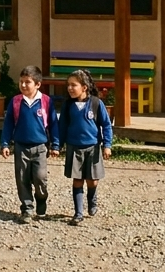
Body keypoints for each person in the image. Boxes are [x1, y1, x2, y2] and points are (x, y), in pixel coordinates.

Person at [0, 66, 60, 224]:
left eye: (28, 82)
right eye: (21, 82)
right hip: (21, 146)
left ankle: (41, 198)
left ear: (38, 84)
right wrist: (5, 143)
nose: (24, 85)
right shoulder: (16, 102)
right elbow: (8, 124)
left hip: (40, 147)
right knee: (22, 179)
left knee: (40, 177)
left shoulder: (46, 101)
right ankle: (27, 209)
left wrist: (55, 144)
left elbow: (53, 124)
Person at [57, 70, 112, 225]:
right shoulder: (68, 106)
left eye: (73, 85)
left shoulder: (95, 103)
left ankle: (92, 200)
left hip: (92, 147)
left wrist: (107, 145)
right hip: (74, 147)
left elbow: (106, 125)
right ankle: (78, 213)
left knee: (92, 181)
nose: (70, 88)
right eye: (68, 85)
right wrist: (57, 144)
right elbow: (62, 127)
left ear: (84, 87)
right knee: (77, 180)